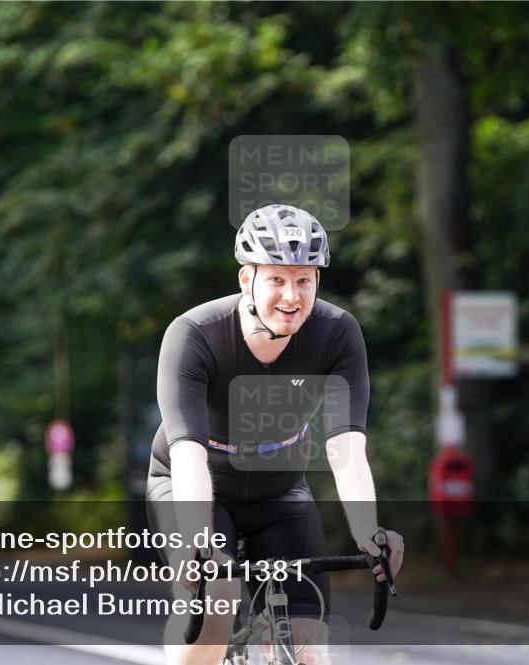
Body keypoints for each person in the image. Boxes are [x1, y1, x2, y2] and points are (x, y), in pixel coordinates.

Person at [146, 203, 405, 665]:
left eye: (303, 280)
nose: (291, 296)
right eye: (276, 280)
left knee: (309, 648)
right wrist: (197, 540)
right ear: (247, 279)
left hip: (280, 489)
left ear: (317, 282)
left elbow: (346, 448)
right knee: (215, 611)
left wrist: (369, 532)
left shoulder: (337, 334)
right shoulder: (194, 335)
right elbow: (188, 455)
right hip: (194, 484)